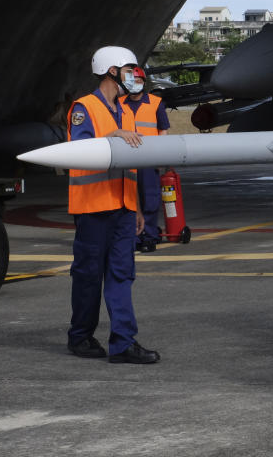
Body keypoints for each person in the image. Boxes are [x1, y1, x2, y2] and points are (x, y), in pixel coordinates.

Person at [66, 46, 160, 364]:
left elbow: (130, 165)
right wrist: (112, 136)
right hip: (92, 208)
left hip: (121, 210)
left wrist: (134, 208)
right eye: (130, 69)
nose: (136, 75)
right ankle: (80, 337)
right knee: (89, 275)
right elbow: (78, 149)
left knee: (122, 274)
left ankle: (123, 343)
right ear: (111, 71)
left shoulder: (128, 112)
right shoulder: (84, 107)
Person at [119, 67, 170, 251]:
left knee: (149, 198)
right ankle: (134, 236)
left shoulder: (156, 103)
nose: (135, 84)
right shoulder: (119, 103)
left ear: (144, 82)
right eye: (132, 81)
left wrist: (160, 155)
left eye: (138, 80)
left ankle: (149, 235)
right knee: (129, 198)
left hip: (149, 159)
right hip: (127, 159)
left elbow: (163, 129)